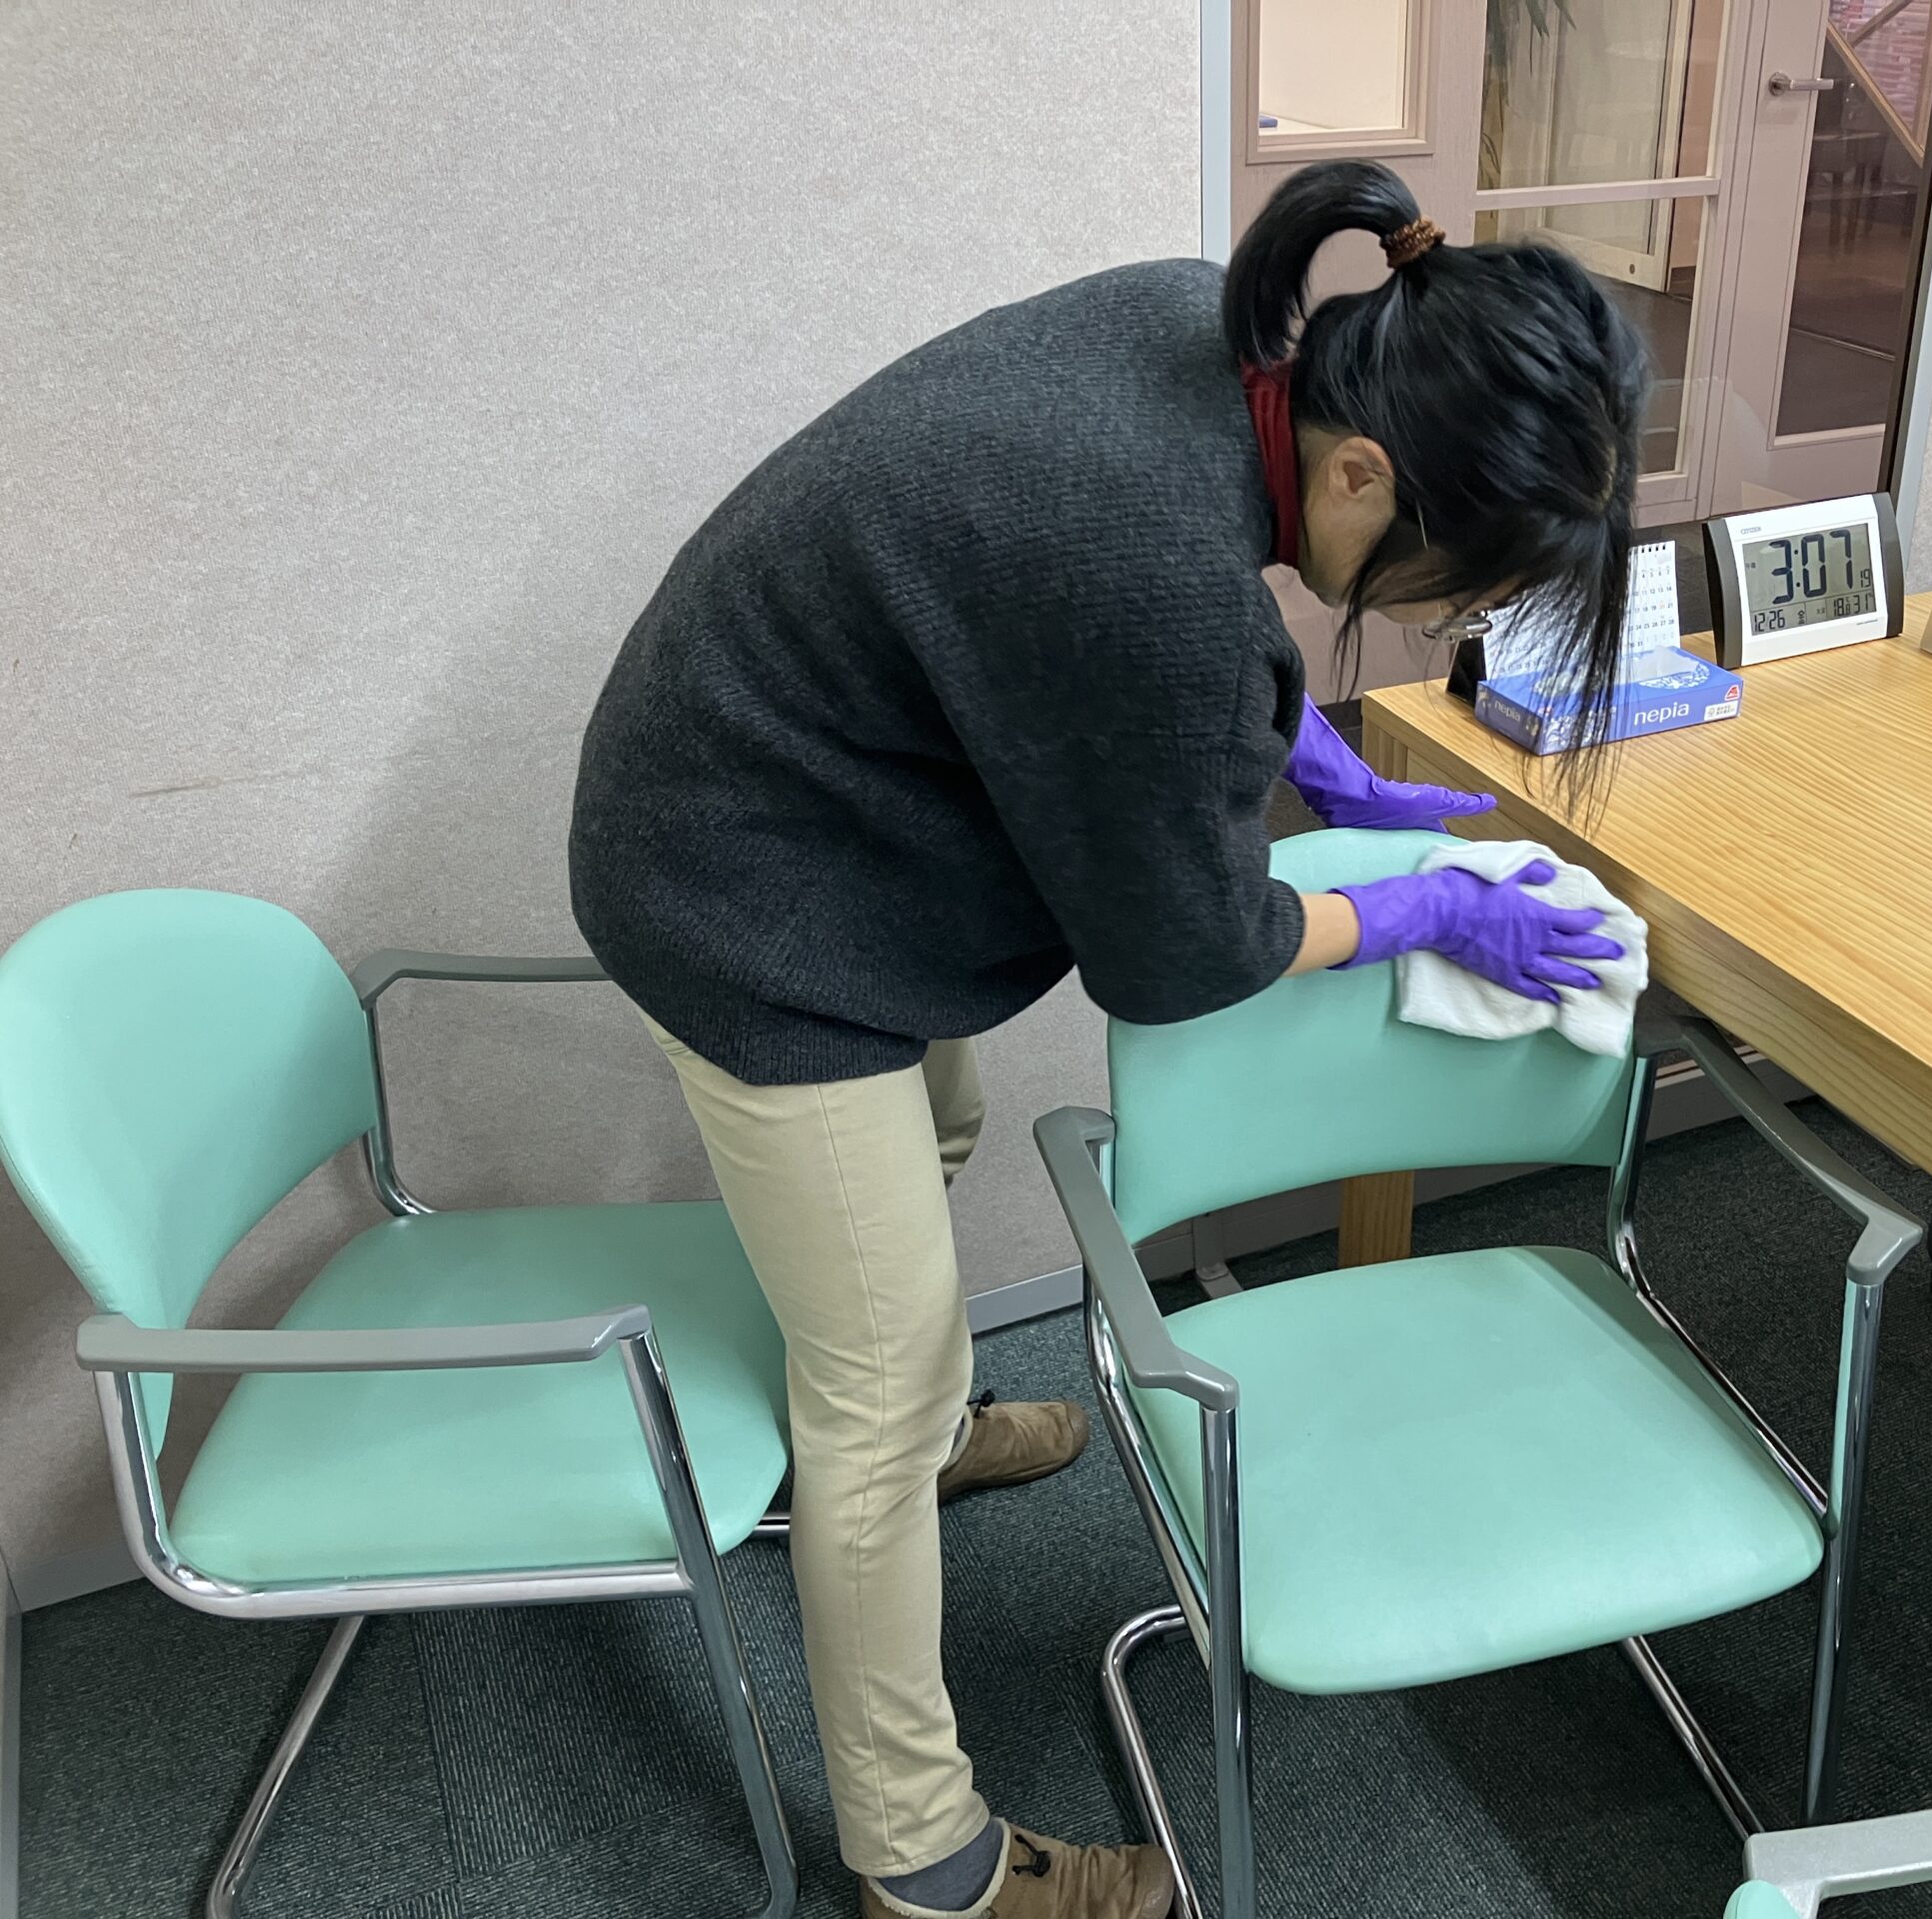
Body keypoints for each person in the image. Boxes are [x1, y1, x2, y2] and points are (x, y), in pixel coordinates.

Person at [567, 158, 1645, 1919]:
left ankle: (926, 1429)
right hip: (741, 887)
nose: (1432, 616)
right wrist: (1421, 911)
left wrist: (1303, 753)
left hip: (828, 790)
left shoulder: (1211, 331)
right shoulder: (1138, 543)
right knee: (869, 1386)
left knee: (935, 1137)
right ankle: (924, 1863)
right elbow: (1189, 955)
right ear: (1362, 473)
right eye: (1445, 583)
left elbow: (1152, 628)